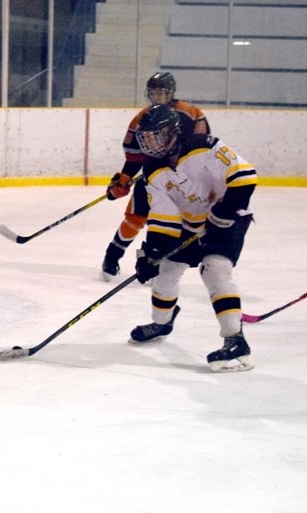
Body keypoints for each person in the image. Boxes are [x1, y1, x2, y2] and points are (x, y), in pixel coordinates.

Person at [127, 103, 257, 372]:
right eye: (146, 138)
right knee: (166, 270)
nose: (151, 144)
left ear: (173, 132)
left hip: (231, 216)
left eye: (156, 135)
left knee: (214, 269)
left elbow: (245, 175)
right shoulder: (153, 172)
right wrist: (151, 253)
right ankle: (162, 322)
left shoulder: (204, 145)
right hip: (192, 222)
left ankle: (235, 340)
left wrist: (225, 210)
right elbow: (164, 216)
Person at [101, 72, 210, 281]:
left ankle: (158, 263)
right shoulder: (143, 117)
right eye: (153, 92)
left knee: (176, 222)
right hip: (153, 174)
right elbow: (134, 155)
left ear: (171, 92)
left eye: (162, 92)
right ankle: (112, 256)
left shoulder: (190, 113)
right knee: (135, 217)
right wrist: (125, 177)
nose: (158, 96)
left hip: (184, 178)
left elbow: (201, 148)